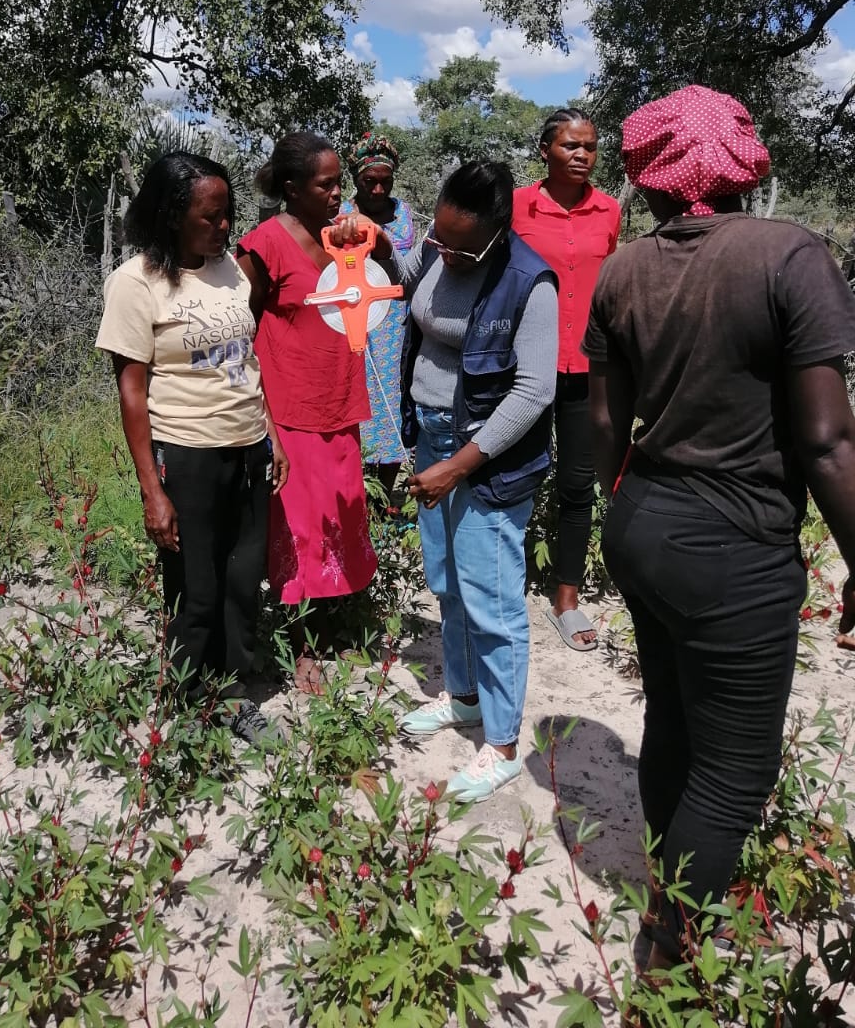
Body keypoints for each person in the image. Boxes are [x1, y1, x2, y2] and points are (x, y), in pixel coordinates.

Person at [583, 85, 855, 967]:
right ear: (740, 158)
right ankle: (668, 955)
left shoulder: (622, 269)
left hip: (641, 525)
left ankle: (675, 893)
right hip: (732, 546)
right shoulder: (790, 255)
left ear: (651, 172)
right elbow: (826, 441)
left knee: (673, 720)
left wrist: (625, 510)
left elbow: (601, 429)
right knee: (736, 772)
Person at [334, 161, 559, 800]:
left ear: (496, 234)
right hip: (432, 437)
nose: (448, 254)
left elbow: (535, 389)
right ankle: (462, 698)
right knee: (449, 582)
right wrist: (379, 242)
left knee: (492, 598)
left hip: (485, 458)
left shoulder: (527, 282)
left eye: (463, 247)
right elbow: (412, 286)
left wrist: (460, 464)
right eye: (439, 239)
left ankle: (504, 743)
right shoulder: (438, 252)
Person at [96, 152, 289, 745]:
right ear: (173, 215)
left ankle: (233, 693)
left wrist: (272, 434)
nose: (225, 227)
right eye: (212, 217)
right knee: (195, 586)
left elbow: (246, 360)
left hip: (248, 446)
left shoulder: (229, 268)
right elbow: (131, 390)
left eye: (227, 214)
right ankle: (186, 698)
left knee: (243, 578)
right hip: (187, 451)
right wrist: (153, 490)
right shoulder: (134, 284)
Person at [236, 132, 378, 693]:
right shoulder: (265, 245)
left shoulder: (346, 235)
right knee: (300, 532)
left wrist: (367, 235)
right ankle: (303, 647)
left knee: (338, 518)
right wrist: (258, 411)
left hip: (339, 401)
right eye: (327, 184)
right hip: (290, 408)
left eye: (339, 181)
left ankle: (335, 625)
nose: (338, 192)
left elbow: (387, 262)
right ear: (293, 189)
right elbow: (234, 325)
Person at [512, 108, 621, 651]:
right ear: (545, 150)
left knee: (579, 485)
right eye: (570, 145)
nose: (582, 155)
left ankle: (566, 597)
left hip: (586, 369)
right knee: (515, 474)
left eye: (591, 146)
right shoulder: (516, 208)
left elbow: (613, 284)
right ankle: (507, 582)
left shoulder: (609, 210)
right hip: (525, 368)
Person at [341, 132, 415, 505]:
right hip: (352, 322)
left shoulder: (404, 218)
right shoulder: (340, 217)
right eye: (370, 181)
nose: (379, 188)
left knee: (392, 401)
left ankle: (386, 498)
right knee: (356, 402)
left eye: (385, 180)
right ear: (356, 178)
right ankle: (357, 495)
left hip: (394, 327)